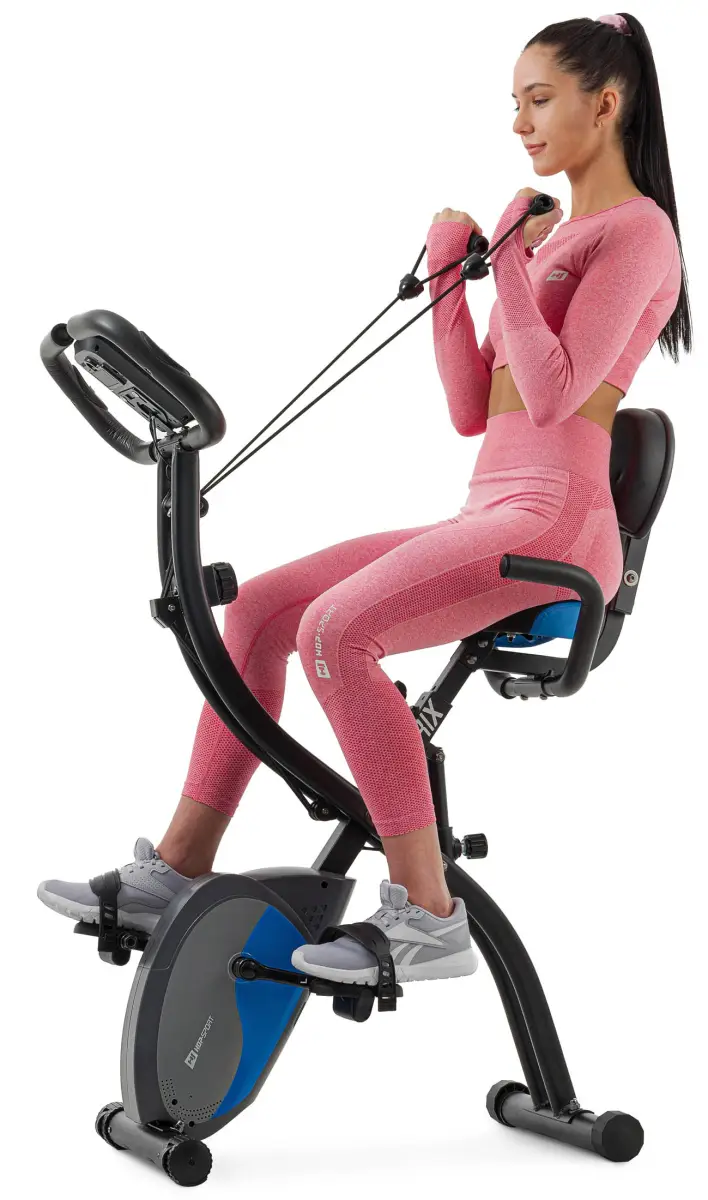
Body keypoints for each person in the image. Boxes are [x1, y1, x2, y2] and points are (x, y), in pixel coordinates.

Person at [37, 12, 690, 988]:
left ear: (606, 104)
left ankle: (428, 916)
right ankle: (177, 867)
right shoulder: (556, 238)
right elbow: (473, 407)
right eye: (513, 103)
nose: (519, 122)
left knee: (337, 631)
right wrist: (450, 271)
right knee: (259, 611)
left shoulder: (639, 235)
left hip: (559, 523)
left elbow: (556, 394)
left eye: (539, 99)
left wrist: (509, 260)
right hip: (489, 509)